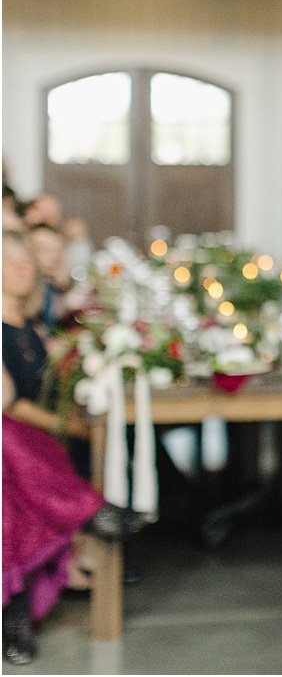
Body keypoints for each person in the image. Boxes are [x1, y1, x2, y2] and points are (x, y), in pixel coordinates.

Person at [2, 233, 149, 665]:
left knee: (14, 488)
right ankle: (93, 513)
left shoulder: (31, 327)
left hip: (31, 449)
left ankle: (15, 618)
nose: (21, 267)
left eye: (25, 259)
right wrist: (66, 426)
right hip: (20, 441)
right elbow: (7, 401)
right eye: (7, 260)